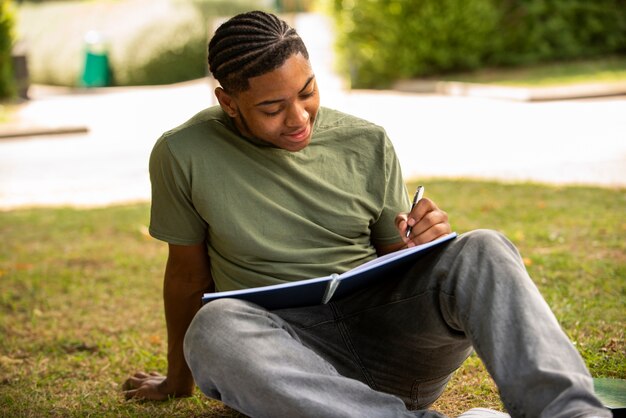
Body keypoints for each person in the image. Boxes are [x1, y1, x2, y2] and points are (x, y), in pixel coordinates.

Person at [122, 10, 610, 418]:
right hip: (285, 363)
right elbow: (187, 275)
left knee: (483, 247)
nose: (298, 119)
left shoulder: (365, 141)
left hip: (392, 344)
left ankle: (570, 412)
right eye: (272, 107)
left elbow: (395, 258)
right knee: (215, 326)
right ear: (228, 101)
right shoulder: (182, 153)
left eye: (307, 92)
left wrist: (422, 242)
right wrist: (176, 381)